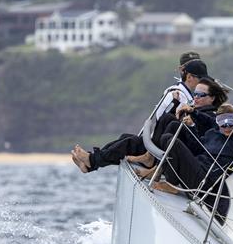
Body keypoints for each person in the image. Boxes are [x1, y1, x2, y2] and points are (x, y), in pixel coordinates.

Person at [71, 59, 211, 173]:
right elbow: (161, 119)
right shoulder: (178, 93)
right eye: (201, 79)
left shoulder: (185, 95)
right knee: (126, 138)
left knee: (129, 142)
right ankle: (91, 163)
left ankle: (92, 161)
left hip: (160, 145)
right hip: (157, 141)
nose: (203, 83)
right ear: (190, 77)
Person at [152, 105, 233, 200]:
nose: (227, 127)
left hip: (205, 180)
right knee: (168, 135)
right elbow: (197, 149)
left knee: (171, 141)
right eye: (222, 123)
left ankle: (172, 184)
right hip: (196, 167)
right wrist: (192, 127)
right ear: (217, 123)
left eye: (230, 122)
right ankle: (158, 170)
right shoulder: (212, 133)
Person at [154, 51, 201, 120]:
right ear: (181, 69)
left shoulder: (197, 91)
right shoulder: (173, 93)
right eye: (193, 68)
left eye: (199, 67)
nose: (198, 71)